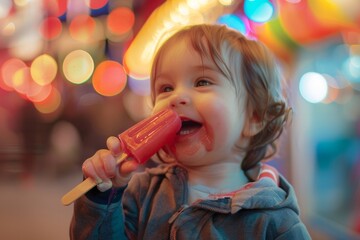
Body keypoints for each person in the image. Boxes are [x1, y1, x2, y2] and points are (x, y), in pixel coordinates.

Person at [70, 24, 311, 239]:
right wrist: (103, 198)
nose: (176, 97)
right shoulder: (142, 194)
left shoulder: (276, 222)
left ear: (254, 117)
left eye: (202, 82)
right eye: (166, 87)